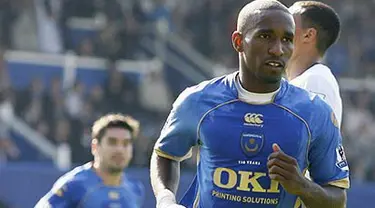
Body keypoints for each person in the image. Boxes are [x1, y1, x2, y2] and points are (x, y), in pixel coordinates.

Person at [150, 0, 349, 207]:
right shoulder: (198, 100)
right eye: (265, 37)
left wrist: (301, 185)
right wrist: (166, 199)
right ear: (238, 41)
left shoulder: (315, 112)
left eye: (287, 39)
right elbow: (165, 154)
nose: (277, 49)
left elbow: (337, 199)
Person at [35, 113, 144, 208]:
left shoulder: (135, 189)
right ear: (95, 147)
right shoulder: (74, 184)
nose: (119, 149)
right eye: (112, 142)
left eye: (126, 144)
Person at [287, 1, 343, 127]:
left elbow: (308, 140)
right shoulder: (303, 81)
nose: (280, 26)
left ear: (308, 35)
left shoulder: (316, 80)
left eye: (288, 22)